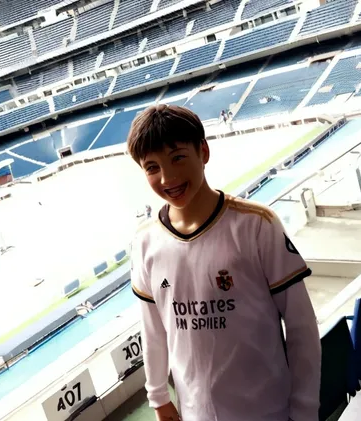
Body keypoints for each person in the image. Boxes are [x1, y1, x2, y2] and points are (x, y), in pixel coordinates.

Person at [126, 104, 321, 421]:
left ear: (203, 151)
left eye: (177, 157)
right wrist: (159, 397)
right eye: (152, 167)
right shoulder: (145, 242)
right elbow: (154, 331)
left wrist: (305, 410)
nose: (168, 177)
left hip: (270, 411)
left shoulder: (257, 225)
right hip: (195, 414)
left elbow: (302, 327)